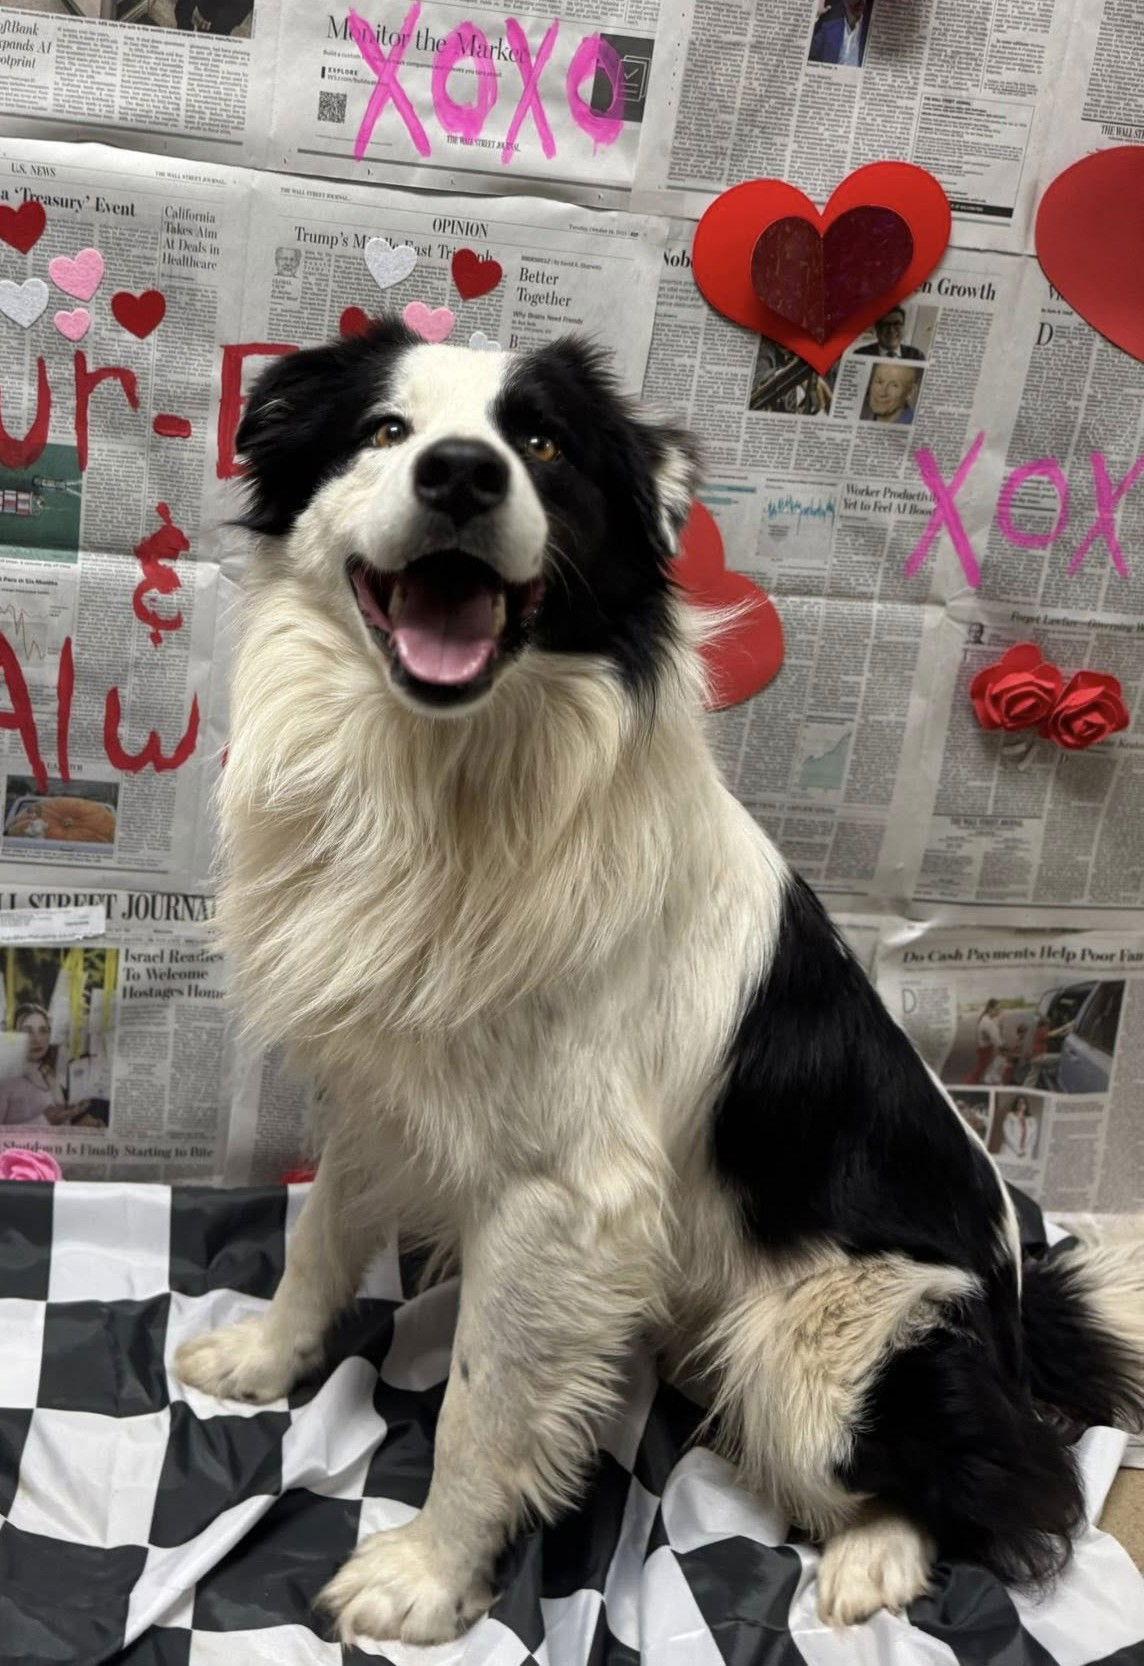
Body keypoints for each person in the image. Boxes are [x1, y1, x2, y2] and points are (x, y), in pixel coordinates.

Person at [0, 1004, 69, 1126]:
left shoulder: (50, 1075)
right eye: (27, 1031)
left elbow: (64, 1127)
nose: (37, 1039)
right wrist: (44, 1121)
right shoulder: (4, 1079)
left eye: (43, 1030)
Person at [808, 0, 872, 67]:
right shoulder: (828, 29)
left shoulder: (870, 32)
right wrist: (815, 15)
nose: (861, 1)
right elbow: (808, 52)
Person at [853, 306, 925, 359]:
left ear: (903, 327)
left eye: (897, 324)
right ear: (877, 328)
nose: (891, 330)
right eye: (885, 324)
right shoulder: (861, 354)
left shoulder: (917, 356)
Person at [969, 999, 1002, 1083]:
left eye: (1000, 1009)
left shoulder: (986, 1019)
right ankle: (970, 1087)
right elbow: (997, 1040)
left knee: (980, 1071)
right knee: (982, 1072)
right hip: (986, 1050)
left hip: (983, 1049)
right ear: (990, 1009)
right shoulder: (988, 1022)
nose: (999, 1011)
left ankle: (972, 1086)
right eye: (997, 1009)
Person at [1001, 1095, 1036, 1160]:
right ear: (1016, 1104)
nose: (1021, 1105)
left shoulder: (1032, 1119)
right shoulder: (1009, 1117)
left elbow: (1033, 1138)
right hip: (1010, 1151)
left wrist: (1026, 1150)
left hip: (1025, 1153)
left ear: (1026, 1105)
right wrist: (1018, 1150)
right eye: (1019, 1102)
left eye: (1023, 1102)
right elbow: (1007, 1135)